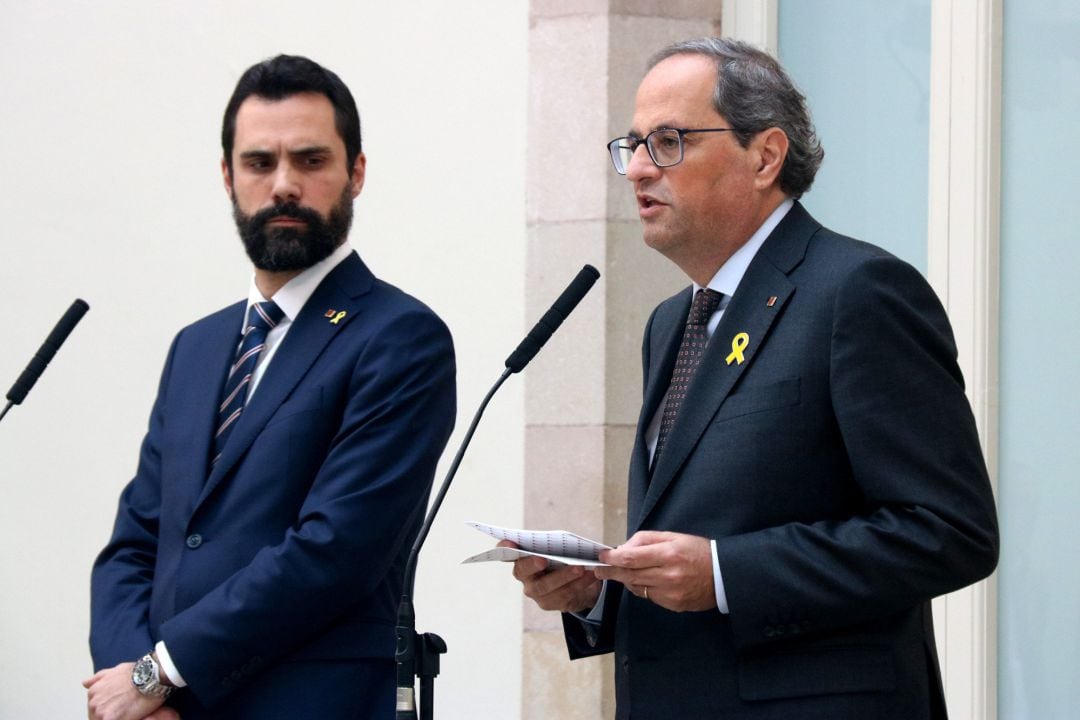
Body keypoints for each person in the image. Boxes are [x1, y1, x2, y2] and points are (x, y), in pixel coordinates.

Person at [505, 38, 998, 719]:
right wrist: (600, 593)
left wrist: (724, 573)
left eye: (669, 142)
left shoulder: (858, 292)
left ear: (765, 156)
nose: (639, 168)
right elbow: (694, 546)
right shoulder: (670, 323)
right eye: (634, 145)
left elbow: (948, 531)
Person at [84, 55, 456, 720]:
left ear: (356, 173)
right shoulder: (196, 347)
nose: (284, 184)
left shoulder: (399, 337)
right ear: (228, 177)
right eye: (259, 163)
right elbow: (137, 543)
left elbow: (334, 550)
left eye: (311, 160)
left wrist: (157, 672)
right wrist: (138, 689)